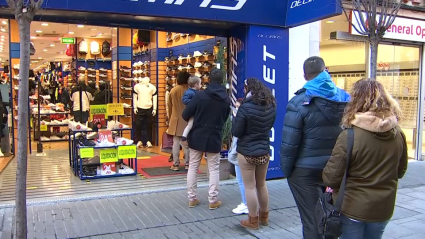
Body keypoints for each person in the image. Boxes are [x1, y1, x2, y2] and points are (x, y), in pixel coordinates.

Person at [323, 79, 408, 239]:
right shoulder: (398, 134)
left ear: (355, 102)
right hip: (384, 207)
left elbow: (331, 177)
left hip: (352, 208)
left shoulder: (349, 136)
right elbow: (400, 171)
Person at [280, 56, 350, 239]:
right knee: (330, 214)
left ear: (305, 75)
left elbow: (289, 144)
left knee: (312, 219)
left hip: (305, 171)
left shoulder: (298, 102)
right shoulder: (344, 99)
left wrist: (287, 171)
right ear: (325, 70)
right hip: (334, 168)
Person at [231, 78, 276, 230]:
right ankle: (264, 217)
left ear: (248, 89)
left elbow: (236, 131)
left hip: (247, 152)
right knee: (262, 184)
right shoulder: (270, 105)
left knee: (249, 187)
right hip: (264, 150)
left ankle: (253, 220)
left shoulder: (245, 107)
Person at [182, 69, 230, 210]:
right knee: (214, 168)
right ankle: (213, 200)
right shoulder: (225, 98)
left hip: (197, 134)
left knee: (193, 166)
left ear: (209, 80)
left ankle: (192, 198)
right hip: (215, 134)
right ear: (222, 81)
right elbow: (225, 118)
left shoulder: (200, 95)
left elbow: (186, 114)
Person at [227, 99, 248, 215]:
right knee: (255, 182)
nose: (236, 109)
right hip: (256, 151)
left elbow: (236, 135)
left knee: (242, 180)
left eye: (238, 107)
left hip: (241, 152)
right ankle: (253, 205)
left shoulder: (241, 120)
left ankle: (246, 204)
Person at [168, 71, 190, 171]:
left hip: (175, 118)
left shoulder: (173, 90)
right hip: (187, 119)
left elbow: (169, 107)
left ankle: (176, 164)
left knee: (176, 142)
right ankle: (187, 164)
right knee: (186, 143)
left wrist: (170, 119)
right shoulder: (190, 90)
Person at [180, 76, 202, 147]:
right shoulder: (190, 92)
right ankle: (184, 137)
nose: (201, 85)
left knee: (191, 125)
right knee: (190, 124)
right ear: (196, 84)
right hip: (193, 112)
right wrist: (194, 102)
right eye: (200, 84)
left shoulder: (195, 92)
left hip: (196, 111)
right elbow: (184, 100)